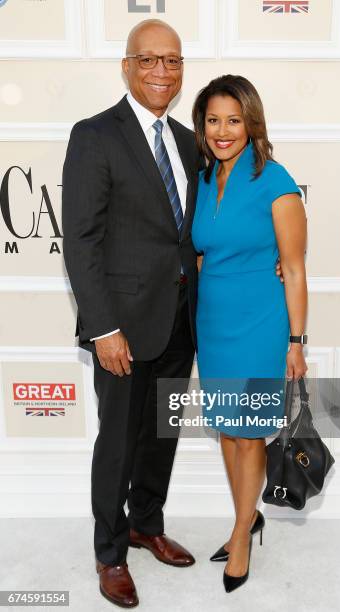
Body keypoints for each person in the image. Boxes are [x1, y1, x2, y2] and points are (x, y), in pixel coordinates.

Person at [62, 19, 202, 608]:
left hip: (180, 319)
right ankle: (110, 553)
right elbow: (82, 240)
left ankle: (147, 524)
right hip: (120, 324)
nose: (161, 72)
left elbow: (194, 233)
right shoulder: (95, 135)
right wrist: (103, 328)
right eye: (149, 60)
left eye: (172, 61)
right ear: (126, 66)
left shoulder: (192, 142)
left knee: (160, 436)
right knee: (117, 442)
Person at [191, 75, 308, 593]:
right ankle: (248, 517)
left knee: (250, 431)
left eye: (233, 120)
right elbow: (199, 251)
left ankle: (241, 531)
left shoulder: (276, 181)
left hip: (261, 323)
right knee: (226, 427)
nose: (222, 130)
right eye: (213, 120)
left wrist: (297, 342)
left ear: (252, 123)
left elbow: (296, 268)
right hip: (213, 325)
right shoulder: (202, 178)